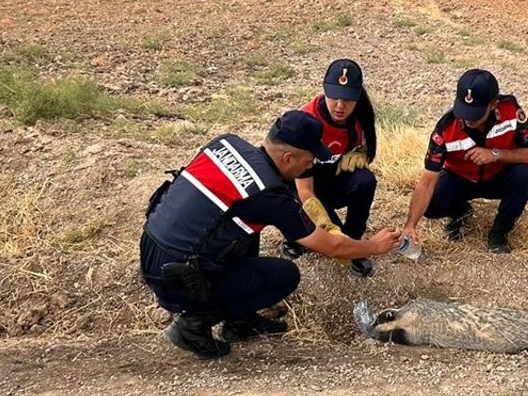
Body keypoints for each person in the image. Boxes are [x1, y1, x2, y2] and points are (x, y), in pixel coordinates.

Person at [140, 110, 401, 360]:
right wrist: (374, 246)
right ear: (288, 158)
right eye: (308, 161)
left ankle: (240, 321)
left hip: (154, 252)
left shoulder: (225, 143)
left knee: (245, 223)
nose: (310, 166)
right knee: (284, 276)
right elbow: (331, 247)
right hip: (181, 282)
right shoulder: (271, 195)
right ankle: (193, 325)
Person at [401, 69, 528, 254]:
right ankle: (461, 212)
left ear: (493, 104)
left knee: (523, 175)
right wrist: (410, 225)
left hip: (497, 176)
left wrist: (495, 154)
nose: (468, 119)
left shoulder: (511, 110)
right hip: (460, 179)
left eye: (475, 113)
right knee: (432, 203)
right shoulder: (444, 129)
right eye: (464, 111)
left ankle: (500, 231)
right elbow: (426, 182)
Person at [281, 59, 380, 277]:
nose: (339, 106)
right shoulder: (306, 122)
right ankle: (299, 236)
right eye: (334, 96)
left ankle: (353, 242)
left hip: (331, 181)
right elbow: (304, 189)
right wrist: (327, 228)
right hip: (302, 186)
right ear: (324, 90)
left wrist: (361, 153)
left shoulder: (359, 119)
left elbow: (366, 151)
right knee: (322, 230)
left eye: (348, 99)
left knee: (365, 180)